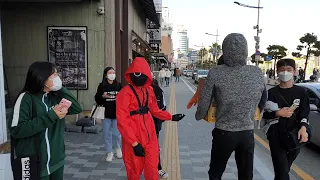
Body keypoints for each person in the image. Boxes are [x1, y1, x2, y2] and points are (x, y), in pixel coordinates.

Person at [195, 33, 267, 180]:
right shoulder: (256, 72)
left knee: (216, 172)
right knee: (246, 174)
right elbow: (263, 99)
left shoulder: (216, 72)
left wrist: (198, 115)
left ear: (225, 50)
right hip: (247, 132)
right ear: (246, 50)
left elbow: (204, 101)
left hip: (224, 132)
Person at [10, 61, 82, 180]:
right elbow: (17, 130)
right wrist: (51, 116)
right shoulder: (26, 98)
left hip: (57, 161)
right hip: (35, 162)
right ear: (41, 78)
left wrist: (60, 89)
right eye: (53, 75)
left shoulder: (54, 97)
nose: (57, 78)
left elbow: (76, 108)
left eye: (57, 74)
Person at [116, 57, 185, 180]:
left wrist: (170, 117)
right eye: (136, 73)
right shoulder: (124, 93)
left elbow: (154, 109)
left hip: (150, 136)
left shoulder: (149, 90)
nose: (139, 77)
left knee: (153, 170)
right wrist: (134, 143)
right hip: (134, 136)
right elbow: (122, 121)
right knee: (133, 171)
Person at [263, 59, 311, 180]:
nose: (285, 73)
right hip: (276, 135)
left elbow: (305, 111)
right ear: (277, 72)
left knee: (284, 169)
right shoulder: (271, 92)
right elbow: (263, 114)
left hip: (295, 135)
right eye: (282, 70)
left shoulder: (301, 92)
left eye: (289, 70)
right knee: (282, 172)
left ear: (295, 71)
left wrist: (303, 128)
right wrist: (278, 113)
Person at [95, 67, 123, 162]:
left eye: (113, 72)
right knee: (107, 134)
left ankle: (118, 148)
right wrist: (103, 96)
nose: (112, 74)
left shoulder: (119, 85)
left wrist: (120, 96)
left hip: (116, 113)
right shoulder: (101, 86)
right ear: (105, 75)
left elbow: (124, 98)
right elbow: (97, 98)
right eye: (110, 72)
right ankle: (109, 152)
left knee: (117, 133)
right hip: (105, 113)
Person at [151, 78, 168, 178]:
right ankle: (158, 169)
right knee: (154, 147)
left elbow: (162, 108)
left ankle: (157, 168)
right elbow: (163, 108)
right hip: (154, 125)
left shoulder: (159, 93)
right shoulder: (159, 92)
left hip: (153, 125)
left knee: (152, 148)